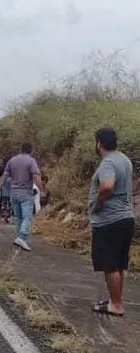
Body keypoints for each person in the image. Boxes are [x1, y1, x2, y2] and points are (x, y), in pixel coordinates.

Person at [90, 128, 134, 317]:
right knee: (117, 263)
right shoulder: (123, 159)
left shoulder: (108, 162)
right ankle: (116, 300)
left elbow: (107, 185)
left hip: (110, 220)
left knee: (109, 264)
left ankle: (116, 305)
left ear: (99, 143)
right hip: (125, 218)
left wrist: (97, 203)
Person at [0, 143, 42, 251]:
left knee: (17, 216)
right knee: (27, 216)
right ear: (31, 150)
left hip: (13, 192)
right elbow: (36, 175)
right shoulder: (31, 161)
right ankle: (21, 237)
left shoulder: (12, 160)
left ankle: (19, 238)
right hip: (26, 192)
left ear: (20, 149)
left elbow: (5, 175)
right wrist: (42, 188)